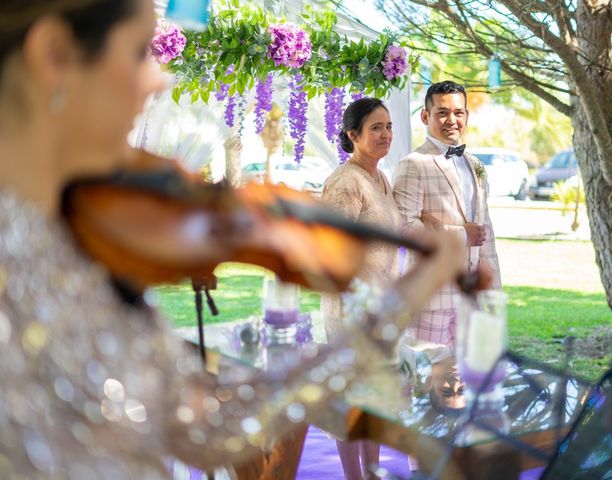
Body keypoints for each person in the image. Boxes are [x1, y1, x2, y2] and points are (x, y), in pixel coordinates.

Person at [0, 2, 466, 478]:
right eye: (140, 51)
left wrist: (407, 297)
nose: (158, 79)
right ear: (54, 54)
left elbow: (212, 425)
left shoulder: (71, 246)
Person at [320, 97, 402, 480]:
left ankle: (371, 474)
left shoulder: (381, 178)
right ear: (353, 135)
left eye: (387, 126)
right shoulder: (345, 181)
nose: (385, 134)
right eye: (375, 128)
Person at [393, 80, 501, 352]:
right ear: (425, 116)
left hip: (472, 298)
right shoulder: (413, 164)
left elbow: (485, 231)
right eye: (442, 112)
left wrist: (493, 292)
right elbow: (403, 228)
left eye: (458, 112)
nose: (451, 119)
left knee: (468, 380)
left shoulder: (475, 164)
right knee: (432, 382)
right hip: (431, 298)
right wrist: (462, 234)